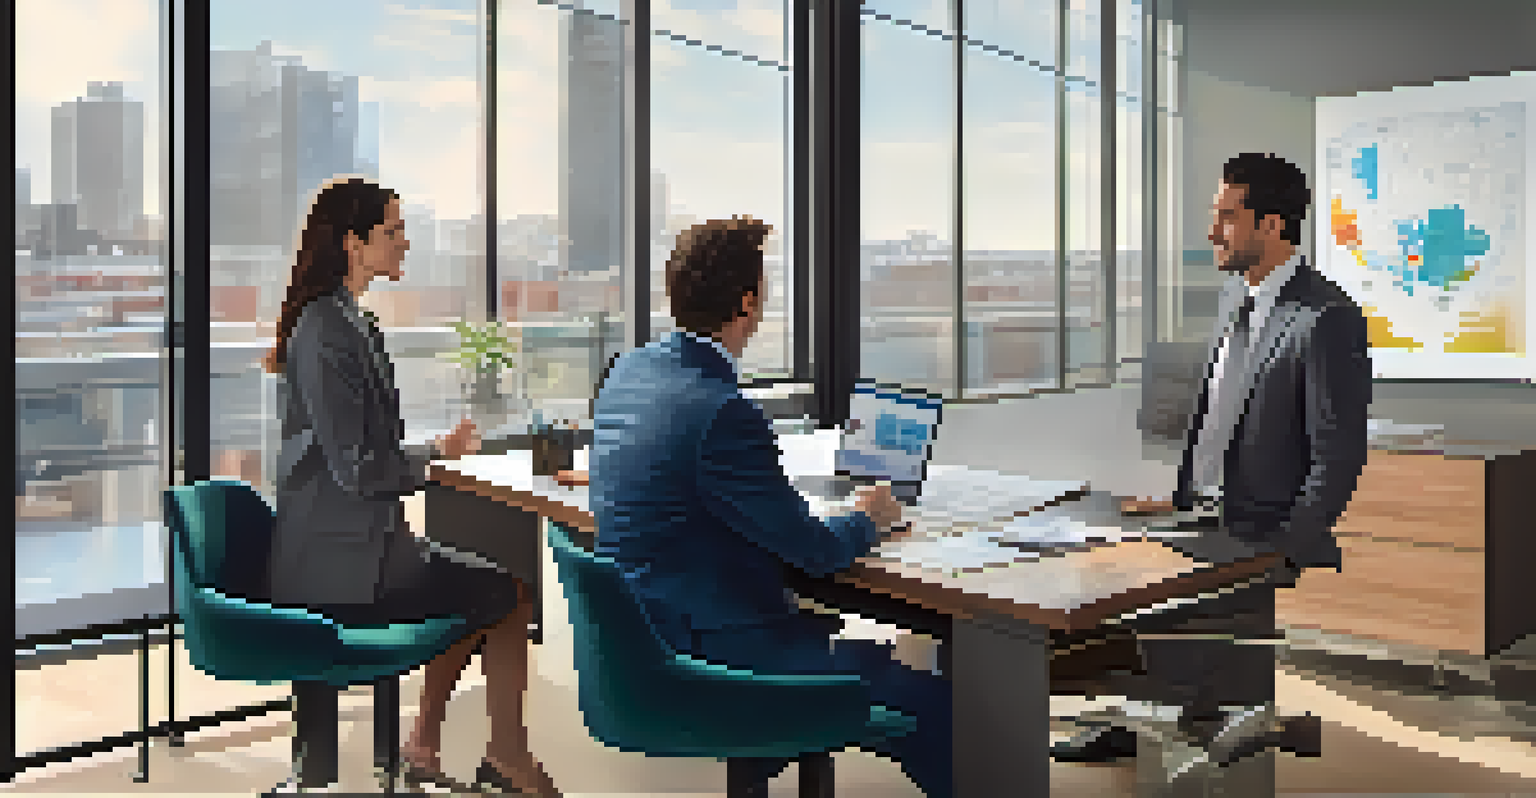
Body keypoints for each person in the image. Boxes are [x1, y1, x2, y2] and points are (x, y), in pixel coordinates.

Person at [588, 216, 952, 797]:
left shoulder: (631, 372)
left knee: (863, 653)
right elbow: (818, 553)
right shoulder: (723, 410)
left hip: (640, 642)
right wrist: (871, 517)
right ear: (749, 301)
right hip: (717, 656)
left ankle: (763, 757)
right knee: (939, 705)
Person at [1054, 152, 1372, 764]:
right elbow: (1218, 417)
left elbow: (1338, 452)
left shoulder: (1326, 318)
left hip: (1258, 527)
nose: (1212, 231)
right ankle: (1145, 717)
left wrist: (1288, 542)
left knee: (1162, 597)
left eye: (1227, 217)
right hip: (1202, 510)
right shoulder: (1234, 298)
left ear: (1274, 224)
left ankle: (1187, 727)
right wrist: (1178, 497)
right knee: (1101, 556)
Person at [261, 176, 559, 796]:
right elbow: (360, 469)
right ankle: (492, 756)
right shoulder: (324, 331)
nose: (404, 242)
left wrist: (433, 452)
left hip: (363, 546)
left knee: (498, 593)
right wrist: (430, 459)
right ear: (353, 243)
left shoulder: (353, 323)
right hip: (339, 566)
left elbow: (366, 451)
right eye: (391, 231)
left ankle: (434, 744)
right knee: (505, 597)